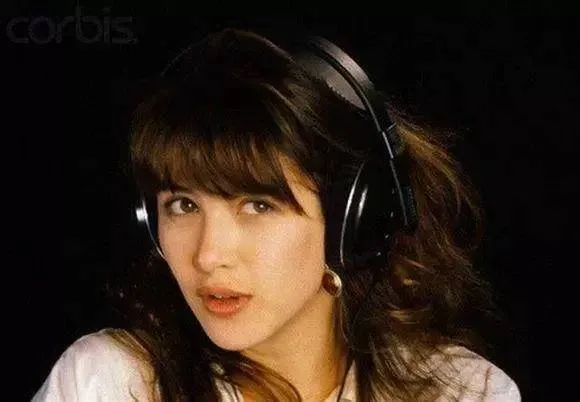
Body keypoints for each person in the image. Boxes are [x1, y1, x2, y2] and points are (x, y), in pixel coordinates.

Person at [32, 28, 521, 401]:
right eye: (183, 205)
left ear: (352, 221)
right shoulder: (107, 383)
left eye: (258, 205)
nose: (208, 255)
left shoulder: (464, 393)